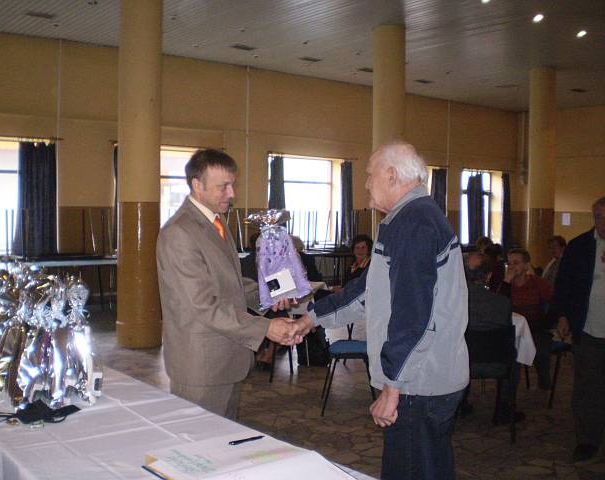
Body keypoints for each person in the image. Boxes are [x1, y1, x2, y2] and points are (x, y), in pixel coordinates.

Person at [298, 141, 469, 479]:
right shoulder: (408, 219)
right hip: (420, 380)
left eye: (369, 174)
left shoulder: (414, 223)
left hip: (417, 384)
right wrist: (311, 318)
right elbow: (367, 292)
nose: (365, 183)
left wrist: (393, 387)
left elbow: (413, 315)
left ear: (392, 175)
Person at [156, 149, 304, 419]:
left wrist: (271, 294)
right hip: (202, 366)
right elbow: (203, 305)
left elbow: (229, 282)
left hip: (227, 358)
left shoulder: (216, 221)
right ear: (197, 185)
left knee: (224, 438)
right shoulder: (180, 232)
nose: (232, 193)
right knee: (200, 441)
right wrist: (266, 327)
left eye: (232, 184)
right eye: (223, 186)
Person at [555, 196, 605, 463]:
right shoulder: (580, 246)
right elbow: (564, 285)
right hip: (588, 328)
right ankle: (587, 438)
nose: (603, 222)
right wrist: (563, 315)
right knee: (587, 386)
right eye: (599, 217)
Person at [462, 252, 518, 422]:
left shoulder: (455, 302)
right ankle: (503, 408)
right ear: (488, 276)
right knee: (513, 353)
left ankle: (460, 404)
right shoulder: (502, 303)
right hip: (497, 365)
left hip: (462, 365)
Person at [498, 248, 553, 389]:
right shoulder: (506, 285)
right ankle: (509, 393)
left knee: (541, 351)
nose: (511, 267)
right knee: (511, 354)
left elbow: (554, 302)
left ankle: (544, 379)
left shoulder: (538, 283)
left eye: (516, 263)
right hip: (513, 331)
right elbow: (499, 307)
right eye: (509, 263)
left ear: (526, 265)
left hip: (536, 328)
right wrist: (506, 281)